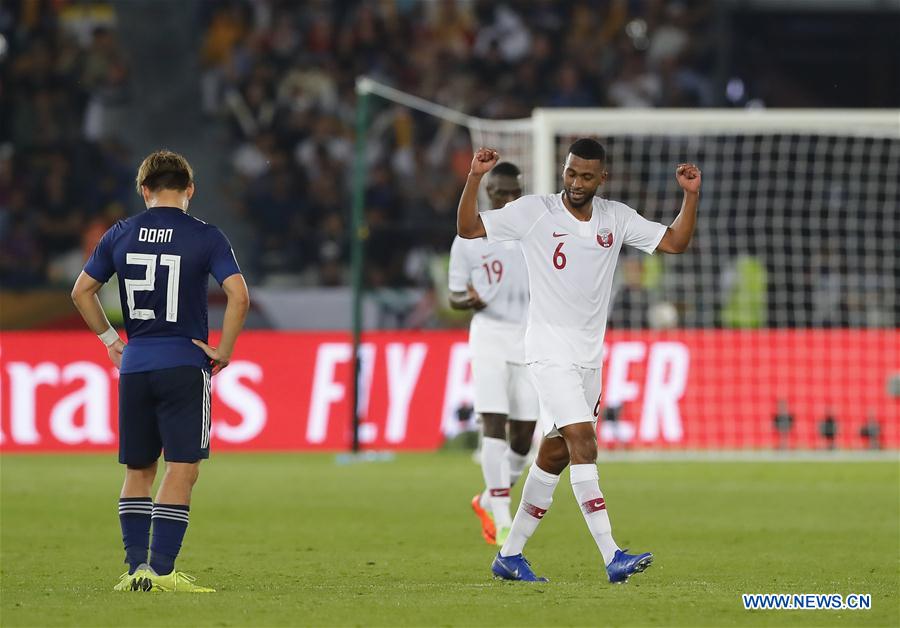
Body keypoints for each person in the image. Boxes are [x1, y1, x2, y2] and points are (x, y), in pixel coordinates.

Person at [456, 139, 700, 583]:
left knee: (555, 454)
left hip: (589, 358)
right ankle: (612, 555)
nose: (576, 183)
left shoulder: (616, 218)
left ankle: (509, 556)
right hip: (549, 352)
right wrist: (475, 177)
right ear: (563, 170)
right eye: (571, 173)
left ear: (602, 178)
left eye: (586, 176)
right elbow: (469, 228)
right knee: (584, 443)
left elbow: (676, 242)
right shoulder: (535, 212)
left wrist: (690, 196)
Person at [71, 150, 250, 592]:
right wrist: (224, 350)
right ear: (190, 189)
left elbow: (82, 291)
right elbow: (239, 295)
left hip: (135, 364)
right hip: (184, 363)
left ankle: (136, 571)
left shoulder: (119, 233)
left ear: (144, 189)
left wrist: (111, 340)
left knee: (138, 469)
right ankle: (163, 572)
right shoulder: (206, 236)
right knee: (182, 467)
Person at [447, 162, 538, 548]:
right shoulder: (469, 238)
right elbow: (453, 296)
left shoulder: (534, 233)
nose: (507, 198)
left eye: (513, 192)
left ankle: (487, 498)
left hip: (528, 340)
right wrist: (469, 300)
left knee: (524, 438)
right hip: (488, 338)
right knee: (494, 424)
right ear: (489, 193)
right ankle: (502, 519)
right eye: (500, 192)